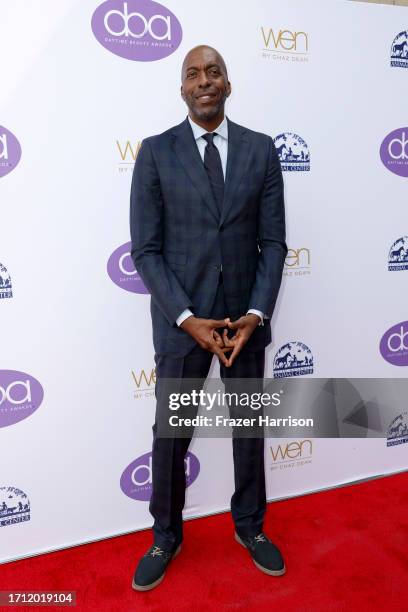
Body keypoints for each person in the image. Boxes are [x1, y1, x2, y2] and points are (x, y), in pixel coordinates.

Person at [129, 45, 287, 591]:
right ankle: (165, 535)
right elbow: (145, 250)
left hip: (244, 321)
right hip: (181, 325)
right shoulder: (155, 152)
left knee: (249, 427)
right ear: (182, 88)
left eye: (213, 71)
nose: (204, 81)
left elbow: (273, 243)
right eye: (193, 73)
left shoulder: (261, 151)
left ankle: (251, 527)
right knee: (171, 434)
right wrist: (186, 318)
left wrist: (254, 313)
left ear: (227, 83)